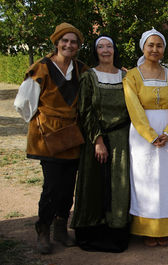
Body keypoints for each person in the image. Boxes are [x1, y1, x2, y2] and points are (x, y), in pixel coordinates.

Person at [13, 22, 88, 254]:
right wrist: (41, 121)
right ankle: (43, 230)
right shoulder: (41, 68)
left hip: (72, 135)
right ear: (56, 43)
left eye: (73, 42)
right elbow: (22, 103)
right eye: (64, 41)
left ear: (78, 46)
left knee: (68, 187)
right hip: (48, 137)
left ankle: (61, 229)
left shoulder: (81, 69)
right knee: (52, 186)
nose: (69, 45)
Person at [123, 29, 168, 247]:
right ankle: (147, 228)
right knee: (145, 178)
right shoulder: (132, 76)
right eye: (151, 45)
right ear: (143, 47)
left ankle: (166, 227)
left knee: (167, 179)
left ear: (164, 49)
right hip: (143, 134)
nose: (155, 49)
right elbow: (134, 108)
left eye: (159, 45)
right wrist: (150, 135)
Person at [70, 35, 130, 252]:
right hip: (96, 139)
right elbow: (85, 111)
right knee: (94, 184)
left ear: (115, 49)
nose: (105, 50)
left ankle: (117, 230)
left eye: (109, 46)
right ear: (95, 51)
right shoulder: (89, 77)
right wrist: (98, 140)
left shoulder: (126, 76)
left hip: (121, 138)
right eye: (101, 46)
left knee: (119, 184)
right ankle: (91, 232)